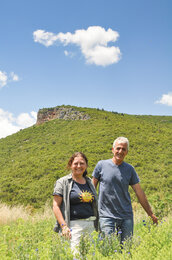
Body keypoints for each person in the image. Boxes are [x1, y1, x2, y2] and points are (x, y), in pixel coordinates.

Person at [92, 137, 158, 244]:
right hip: (106, 216)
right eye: (118, 148)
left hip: (126, 217)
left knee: (126, 250)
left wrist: (151, 214)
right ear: (112, 150)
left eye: (124, 149)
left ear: (127, 152)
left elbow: (139, 192)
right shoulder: (101, 165)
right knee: (108, 248)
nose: (120, 151)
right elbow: (92, 188)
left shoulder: (130, 169)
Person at [53, 152, 98, 255]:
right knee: (76, 256)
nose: (79, 166)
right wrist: (63, 226)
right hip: (73, 226)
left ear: (86, 165)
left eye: (82, 163)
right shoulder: (62, 182)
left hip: (90, 224)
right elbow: (56, 206)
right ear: (70, 165)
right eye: (76, 163)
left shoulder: (89, 182)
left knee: (91, 256)